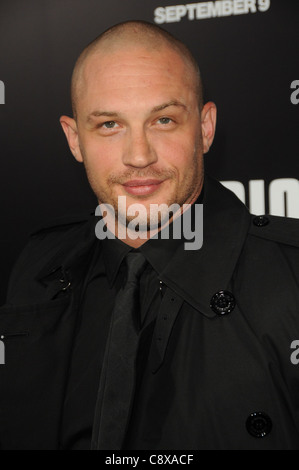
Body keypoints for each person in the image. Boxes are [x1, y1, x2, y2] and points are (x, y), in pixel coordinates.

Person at [1, 20, 299, 451]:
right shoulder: (39, 263)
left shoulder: (290, 276)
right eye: (109, 125)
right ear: (74, 138)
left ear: (205, 127)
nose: (139, 156)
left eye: (163, 119)